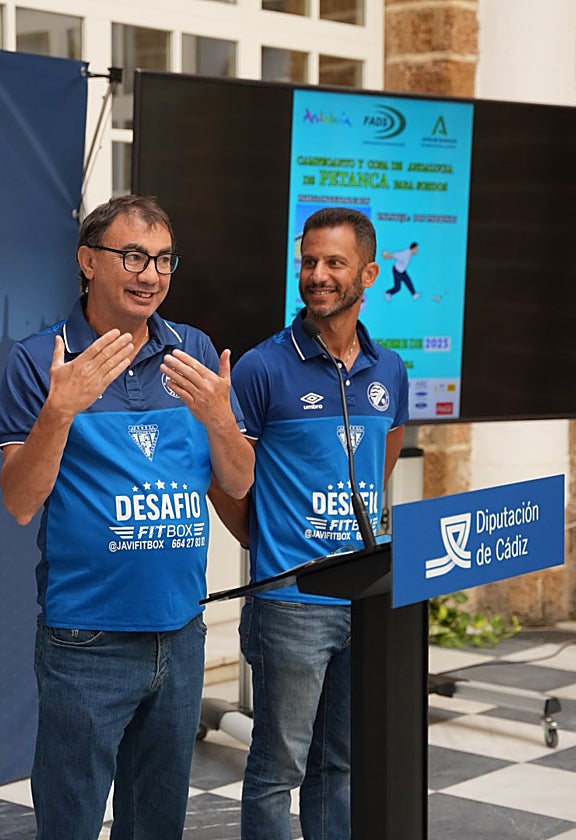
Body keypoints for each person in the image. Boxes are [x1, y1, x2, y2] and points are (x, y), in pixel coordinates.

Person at [0, 195, 255, 840]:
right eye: (133, 256)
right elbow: (20, 500)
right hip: (87, 640)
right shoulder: (40, 361)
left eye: (164, 260)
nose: (151, 275)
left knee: (157, 824)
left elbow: (240, 479)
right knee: (71, 821)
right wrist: (60, 411)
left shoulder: (192, 350)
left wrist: (221, 418)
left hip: (182, 631)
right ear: (88, 261)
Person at [212, 207, 409, 839]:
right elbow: (225, 478)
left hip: (368, 596)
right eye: (308, 262)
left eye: (333, 263)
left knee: (341, 763)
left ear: (369, 274)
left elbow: (383, 460)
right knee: (277, 769)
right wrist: (262, 538)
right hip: (291, 602)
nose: (317, 275)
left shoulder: (391, 370)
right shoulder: (263, 367)